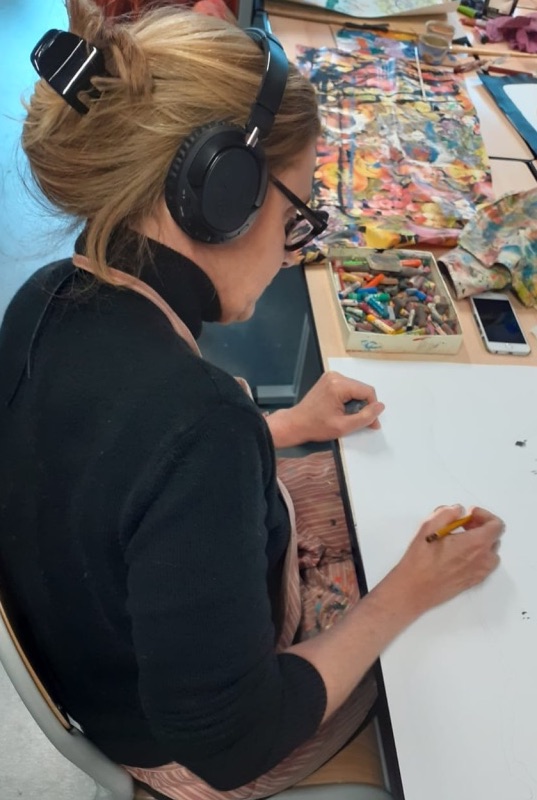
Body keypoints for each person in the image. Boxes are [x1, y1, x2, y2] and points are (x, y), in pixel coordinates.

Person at [0, 2, 504, 799]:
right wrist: (403, 595)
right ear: (219, 197)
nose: (295, 248)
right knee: (446, 657)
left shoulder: (47, 294)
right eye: (298, 214)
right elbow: (232, 742)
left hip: (105, 664)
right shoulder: (201, 426)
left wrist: (285, 426)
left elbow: (123, 480)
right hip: (196, 751)